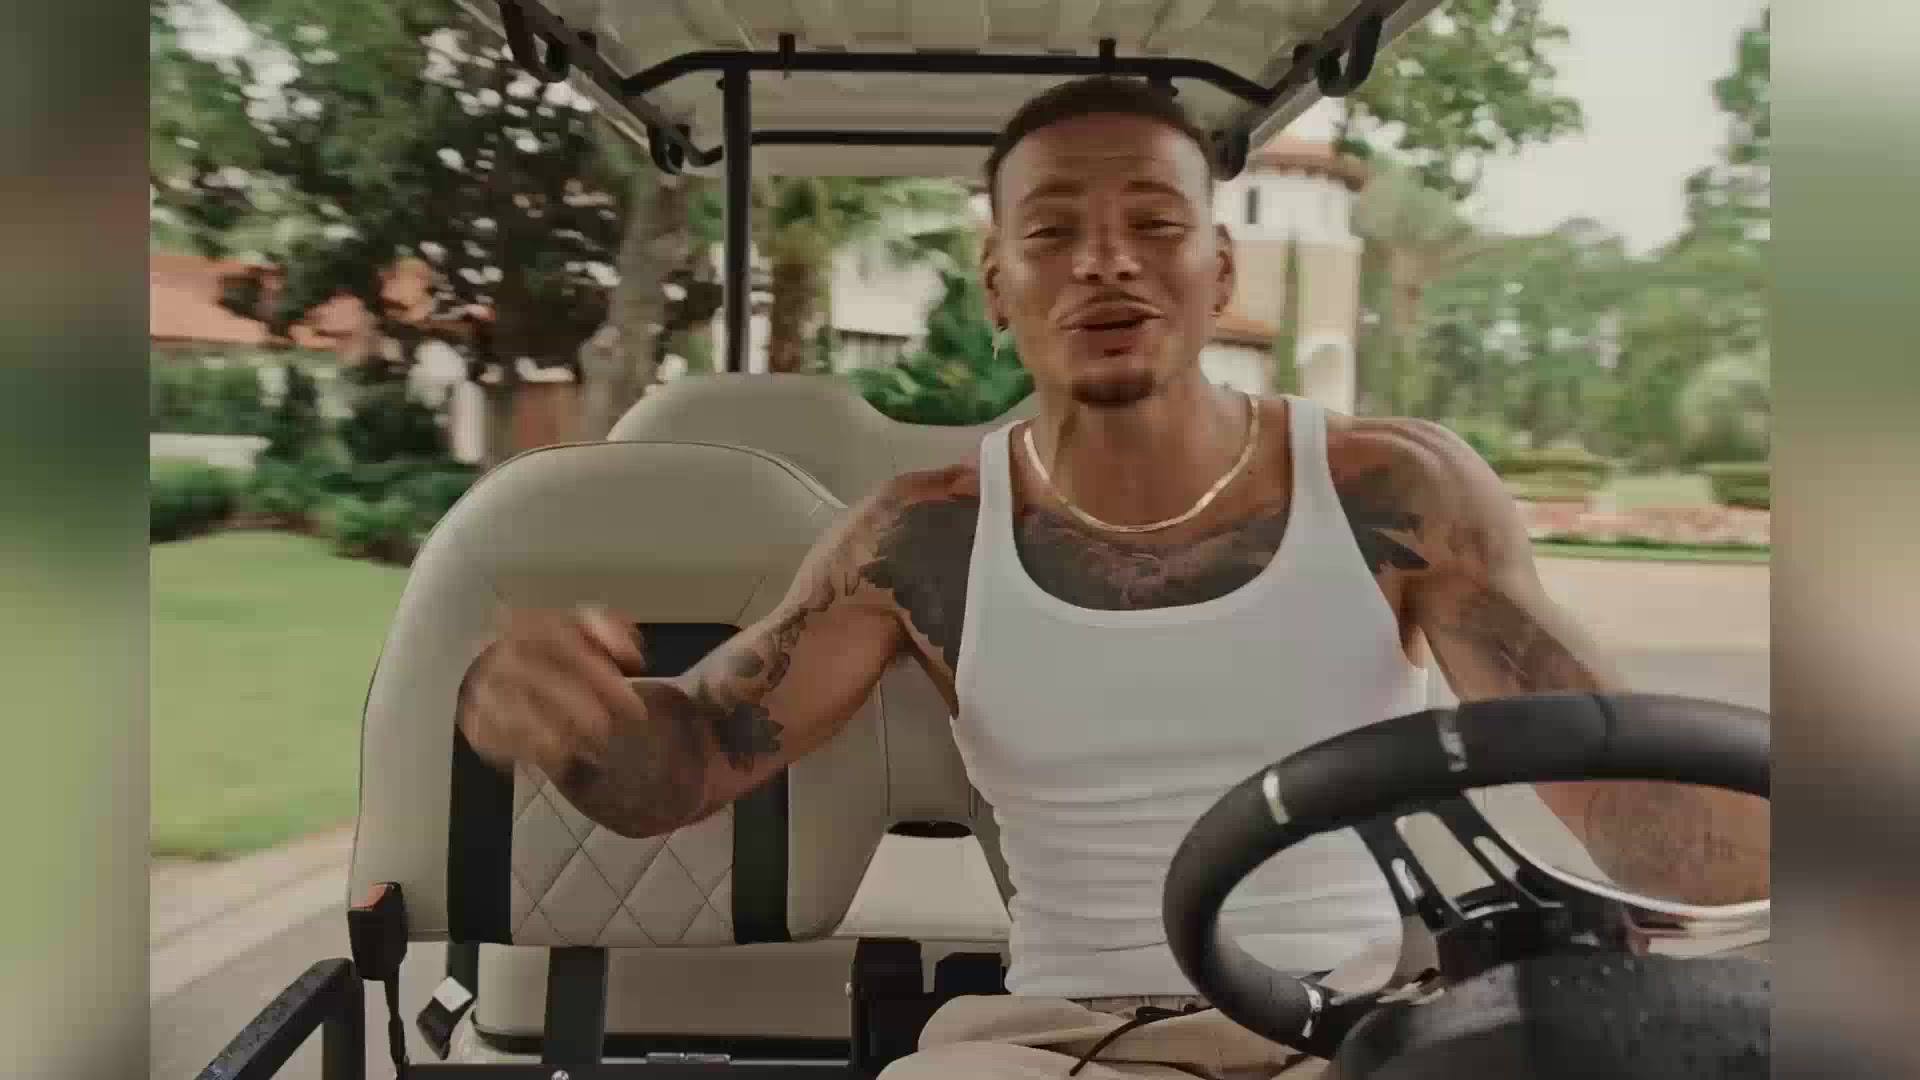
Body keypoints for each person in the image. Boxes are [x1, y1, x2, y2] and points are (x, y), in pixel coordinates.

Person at [456, 77, 1770, 1079]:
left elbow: (1623, 793)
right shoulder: (917, 540)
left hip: (1351, 1029)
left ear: (1218, 269)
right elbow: (686, 764)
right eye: (1053, 232)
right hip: (1055, 1040)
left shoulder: (1399, 495)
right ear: (997, 284)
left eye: (1153, 223)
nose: (1105, 260)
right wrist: (568, 717)